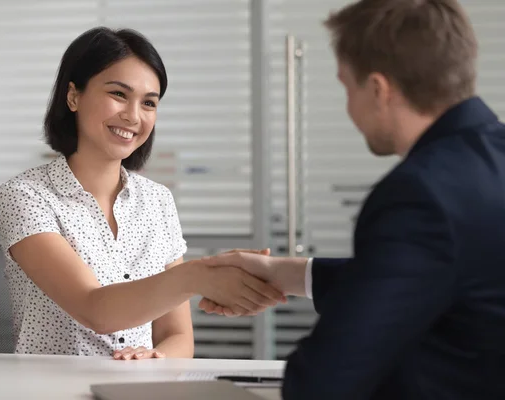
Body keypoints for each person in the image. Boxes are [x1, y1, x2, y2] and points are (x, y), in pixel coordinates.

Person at [200, 0, 505, 398]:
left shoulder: (420, 194)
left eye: (346, 86)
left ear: (378, 90)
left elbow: (322, 380)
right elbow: (434, 273)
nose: (348, 107)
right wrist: (283, 273)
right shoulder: (489, 162)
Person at [0, 27, 285, 361]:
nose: (133, 116)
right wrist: (200, 276)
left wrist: (156, 360)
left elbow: (177, 336)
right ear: (73, 96)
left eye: (148, 103)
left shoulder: (158, 201)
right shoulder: (25, 196)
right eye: (118, 94)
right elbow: (95, 309)